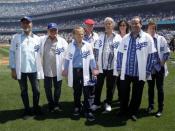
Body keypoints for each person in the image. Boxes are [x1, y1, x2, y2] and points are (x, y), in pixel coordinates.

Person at [116, 16, 157, 121]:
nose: (134, 25)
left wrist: (147, 70)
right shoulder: (126, 38)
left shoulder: (147, 37)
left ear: (141, 24)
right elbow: (120, 53)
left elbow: (152, 55)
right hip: (126, 72)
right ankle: (123, 110)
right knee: (124, 93)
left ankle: (133, 112)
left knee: (137, 94)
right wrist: (119, 68)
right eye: (132, 23)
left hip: (140, 73)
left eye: (136, 23)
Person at [9, 16, 44, 119]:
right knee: (24, 91)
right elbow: (12, 53)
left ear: (31, 24)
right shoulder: (16, 38)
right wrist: (13, 69)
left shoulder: (38, 39)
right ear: (21, 25)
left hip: (34, 69)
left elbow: (41, 54)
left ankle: (36, 108)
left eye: (27, 23)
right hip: (21, 70)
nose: (26, 25)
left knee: (36, 91)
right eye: (23, 23)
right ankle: (27, 110)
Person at [62, 26, 99, 122]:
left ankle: (88, 110)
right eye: (78, 34)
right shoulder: (70, 46)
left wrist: (94, 69)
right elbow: (66, 59)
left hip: (86, 72)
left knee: (87, 92)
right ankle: (77, 106)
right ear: (73, 35)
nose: (80, 36)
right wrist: (65, 69)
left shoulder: (87, 45)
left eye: (82, 34)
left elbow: (91, 59)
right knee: (77, 91)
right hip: (75, 72)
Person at [91, 17, 122, 113]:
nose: (108, 25)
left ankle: (108, 103)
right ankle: (96, 103)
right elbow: (95, 52)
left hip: (112, 67)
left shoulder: (118, 37)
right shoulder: (100, 37)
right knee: (98, 86)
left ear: (113, 25)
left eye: (110, 23)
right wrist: (95, 65)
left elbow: (121, 53)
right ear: (104, 25)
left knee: (110, 87)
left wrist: (119, 66)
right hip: (101, 66)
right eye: (106, 24)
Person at [40, 23, 68, 112]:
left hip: (58, 69)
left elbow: (67, 55)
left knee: (57, 88)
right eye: (51, 30)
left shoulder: (63, 41)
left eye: (55, 30)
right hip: (46, 69)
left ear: (57, 30)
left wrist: (66, 68)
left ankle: (56, 104)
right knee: (47, 88)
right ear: (47, 31)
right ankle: (50, 104)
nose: (53, 32)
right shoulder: (42, 40)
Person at [146, 20, 170, 117]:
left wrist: (162, 62)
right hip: (150, 68)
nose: (152, 30)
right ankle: (151, 106)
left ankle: (160, 108)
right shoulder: (145, 40)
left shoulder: (161, 39)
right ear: (147, 29)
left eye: (153, 28)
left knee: (160, 89)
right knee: (150, 88)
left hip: (159, 68)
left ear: (155, 29)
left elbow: (167, 52)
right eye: (150, 28)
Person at [83, 18, 99, 107]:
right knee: (85, 83)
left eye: (91, 25)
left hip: (93, 63)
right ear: (85, 25)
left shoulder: (96, 36)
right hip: (84, 63)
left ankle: (91, 101)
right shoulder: (81, 35)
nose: (90, 27)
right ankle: (86, 100)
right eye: (88, 25)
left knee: (93, 83)